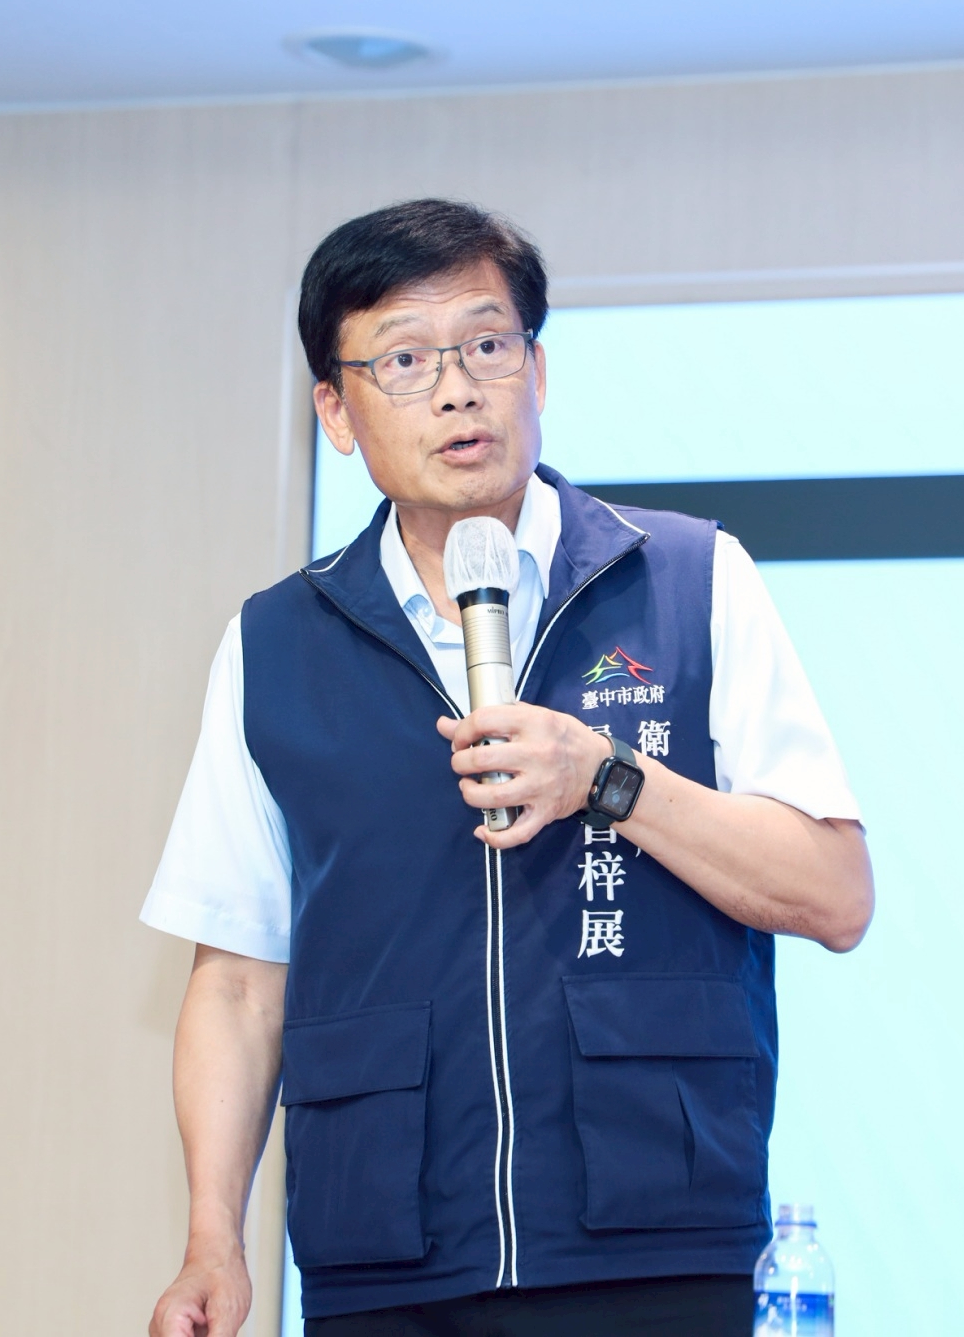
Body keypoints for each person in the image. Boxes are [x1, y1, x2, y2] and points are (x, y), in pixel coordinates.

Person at [140, 198, 873, 1337]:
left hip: (654, 1245)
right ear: (335, 411)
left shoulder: (690, 578)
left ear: (536, 370)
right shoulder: (275, 644)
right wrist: (212, 1239)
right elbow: (237, 982)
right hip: (387, 1261)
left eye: (486, 344)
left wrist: (608, 778)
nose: (456, 390)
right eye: (404, 360)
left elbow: (833, 892)